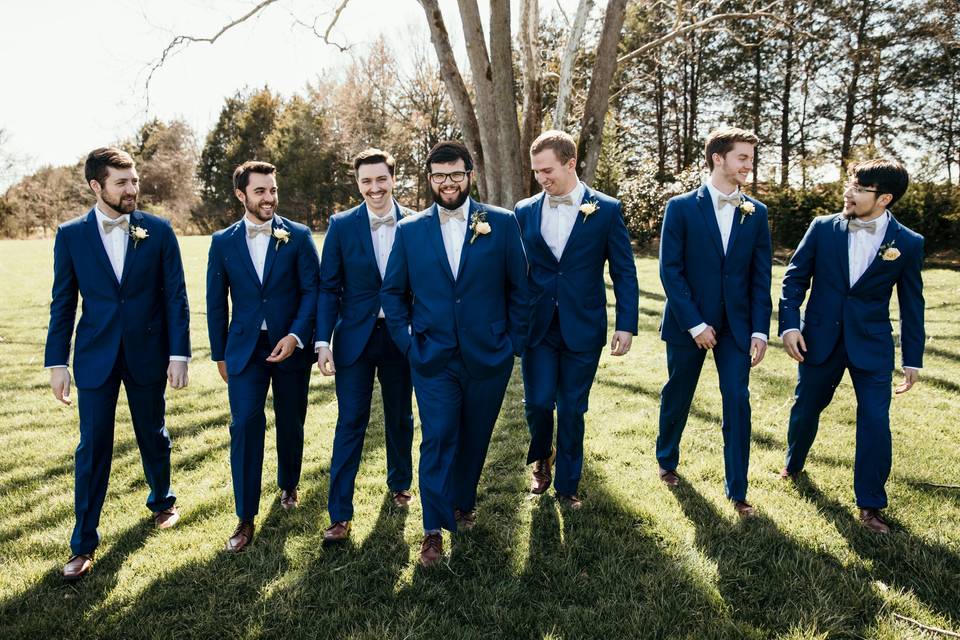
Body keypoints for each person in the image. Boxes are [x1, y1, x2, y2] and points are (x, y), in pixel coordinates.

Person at [380, 141, 529, 566]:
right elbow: (392, 292)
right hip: (432, 357)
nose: (448, 183)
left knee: (475, 436)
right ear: (430, 179)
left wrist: (512, 343)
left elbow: (520, 289)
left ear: (470, 175)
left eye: (456, 175)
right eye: (439, 176)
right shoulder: (409, 231)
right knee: (439, 436)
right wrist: (409, 343)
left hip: (489, 355)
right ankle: (432, 529)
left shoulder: (500, 223)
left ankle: (463, 501)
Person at [45, 147, 191, 580]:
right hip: (95, 356)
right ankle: (83, 543)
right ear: (97, 186)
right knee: (93, 448)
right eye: (122, 182)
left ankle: (162, 499)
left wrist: (178, 354)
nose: (132, 189)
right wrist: (58, 362)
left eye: (134, 181)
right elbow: (63, 304)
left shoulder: (159, 231)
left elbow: (175, 297)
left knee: (153, 431)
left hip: (148, 352)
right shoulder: (70, 235)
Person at [779, 158, 924, 534]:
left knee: (876, 421)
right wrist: (790, 326)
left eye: (860, 189)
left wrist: (913, 359)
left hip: (872, 346)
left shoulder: (907, 243)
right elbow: (794, 280)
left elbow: (912, 304)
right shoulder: (822, 228)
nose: (849, 193)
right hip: (819, 339)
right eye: (850, 184)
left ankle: (871, 504)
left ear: (885, 198)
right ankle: (794, 464)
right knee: (806, 407)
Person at [514, 130, 639, 508]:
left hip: (583, 326)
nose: (541, 178)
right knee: (537, 404)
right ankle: (542, 457)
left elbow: (625, 271)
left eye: (547, 170)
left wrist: (626, 323)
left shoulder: (607, 210)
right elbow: (515, 271)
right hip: (537, 327)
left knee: (571, 408)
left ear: (571, 164)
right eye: (536, 172)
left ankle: (567, 485)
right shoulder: (523, 211)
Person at [656, 127, 773, 517]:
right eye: (743, 157)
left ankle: (738, 490)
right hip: (689, 324)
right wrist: (695, 324)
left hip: (738, 326)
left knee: (738, 401)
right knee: (679, 392)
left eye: (751, 159)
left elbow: (761, 276)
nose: (748, 165)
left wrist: (759, 329)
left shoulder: (757, 213)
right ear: (718, 158)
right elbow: (670, 271)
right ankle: (667, 458)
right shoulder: (681, 207)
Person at [206, 161, 319, 552]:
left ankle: (289, 485)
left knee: (291, 420)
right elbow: (215, 301)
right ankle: (245, 516)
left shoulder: (299, 236)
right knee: (246, 425)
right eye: (260, 191)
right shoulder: (222, 242)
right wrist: (219, 353)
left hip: (290, 347)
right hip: (244, 350)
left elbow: (312, 292)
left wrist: (296, 335)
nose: (269, 198)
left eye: (273, 190)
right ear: (241, 195)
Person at [316, 149, 416, 544]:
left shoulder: (416, 222)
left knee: (400, 417)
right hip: (353, 340)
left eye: (381, 180)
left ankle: (400, 484)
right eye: (365, 182)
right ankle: (340, 514)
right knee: (350, 423)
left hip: (400, 337)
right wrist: (322, 341)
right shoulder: (340, 226)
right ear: (358, 184)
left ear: (393, 178)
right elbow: (328, 287)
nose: (374, 188)